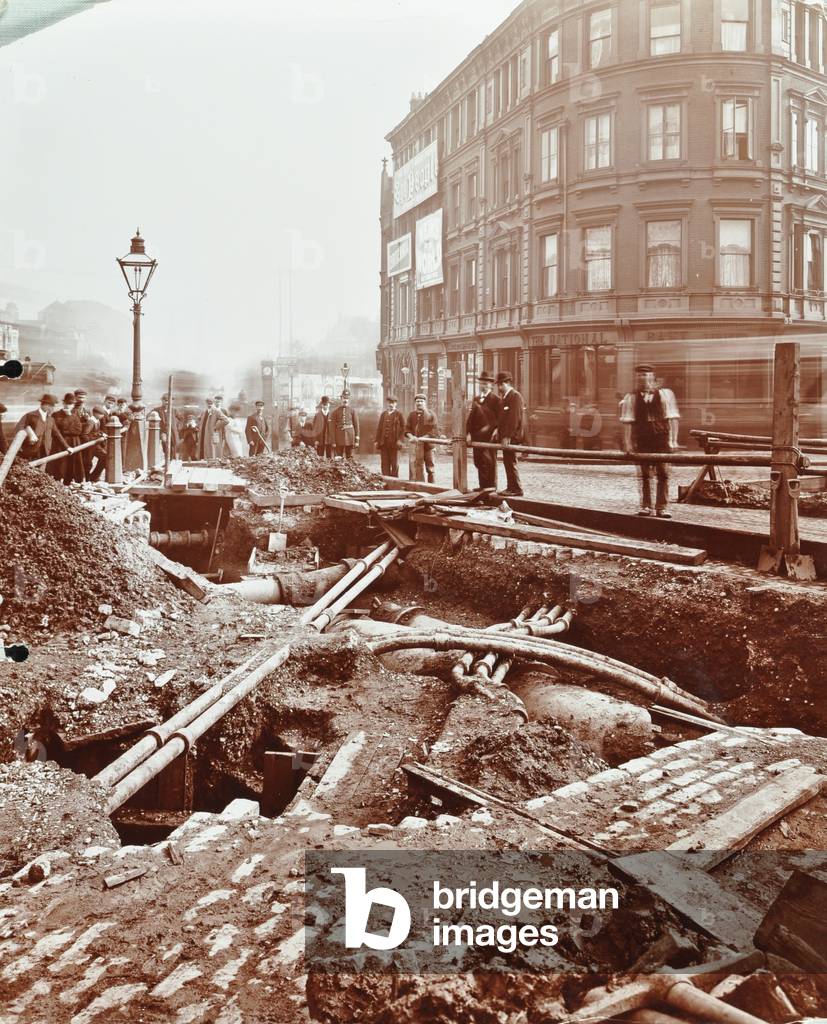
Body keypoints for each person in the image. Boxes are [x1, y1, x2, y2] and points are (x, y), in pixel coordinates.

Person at [620, 362, 680, 518]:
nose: (643, 378)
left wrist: (673, 441)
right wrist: (627, 444)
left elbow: (672, 418)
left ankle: (662, 507)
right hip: (642, 439)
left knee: (664, 474)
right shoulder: (631, 397)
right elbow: (628, 422)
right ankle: (646, 506)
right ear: (636, 377)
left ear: (652, 376)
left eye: (646, 375)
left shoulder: (666, 394)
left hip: (662, 439)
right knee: (645, 475)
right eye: (640, 375)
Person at [465, 371, 500, 490]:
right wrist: (468, 433)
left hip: (489, 438)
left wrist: (495, 430)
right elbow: (471, 418)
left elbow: (499, 419)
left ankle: (491, 487)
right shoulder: (476, 399)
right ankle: (482, 486)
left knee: (489, 462)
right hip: (476, 436)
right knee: (478, 461)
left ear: (491, 385)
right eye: (480, 383)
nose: (482, 386)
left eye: (485, 383)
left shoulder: (496, 400)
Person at [494, 371, 525, 497]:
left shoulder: (515, 396)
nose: (499, 388)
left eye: (501, 385)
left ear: (506, 383)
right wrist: (498, 430)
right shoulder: (506, 397)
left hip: (512, 437)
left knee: (511, 461)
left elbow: (514, 419)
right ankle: (511, 487)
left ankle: (516, 488)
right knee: (508, 461)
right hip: (506, 436)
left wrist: (507, 436)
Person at [51, 392, 85, 483]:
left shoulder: (75, 415)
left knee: (73, 463)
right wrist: (67, 430)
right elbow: (55, 430)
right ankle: (58, 481)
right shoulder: (56, 415)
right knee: (61, 463)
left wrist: (64, 429)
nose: (68, 406)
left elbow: (78, 430)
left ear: (73, 405)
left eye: (70, 404)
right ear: (63, 403)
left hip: (74, 442)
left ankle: (69, 481)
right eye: (66, 403)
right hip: (60, 442)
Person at [405, 393, 438, 484]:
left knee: (430, 467)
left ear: (425, 402)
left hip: (428, 446)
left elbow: (433, 431)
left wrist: (421, 439)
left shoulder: (431, 414)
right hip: (415, 445)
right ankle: (419, 485)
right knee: (416, 466)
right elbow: (407, 429)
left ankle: (432, 487)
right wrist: (411, 437)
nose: (419, 403)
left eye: (421, 401)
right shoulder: (412, 415)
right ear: (415, 403)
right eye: (417, 401)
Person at [15, 394, 58, 461]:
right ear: (45, 405)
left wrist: (67, 447)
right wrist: (30, 433)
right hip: (30, 450)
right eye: (51, 406)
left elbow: (57, 433)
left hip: (44, 451)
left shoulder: (50, 419)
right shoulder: (30, 415)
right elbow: (19, 427)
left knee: (41, 470)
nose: (52, 409)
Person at [374, 395, 405, 477]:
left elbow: (403, 429)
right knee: (384, 463)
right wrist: (377, 440)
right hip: (384, 443)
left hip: (394, 444)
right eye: (389, 403)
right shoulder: (383, 414)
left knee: (394, 464)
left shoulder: (399, 414)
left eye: (393, 403)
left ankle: (394, 482)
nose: (391, 405)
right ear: (387, 403)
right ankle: (386, 481)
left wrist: (400, 440)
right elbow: (379, 428)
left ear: (396, 404)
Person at [73, 388, 95, 480]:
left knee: (88, 460)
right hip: (76, 439)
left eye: (83, 398)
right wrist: (86, 422)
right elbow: (73, 425)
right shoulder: (72, 410)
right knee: (77, 460)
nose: (81, 400)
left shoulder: (87, 410)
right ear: (75, 397)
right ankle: (77, 479)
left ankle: (87, 477)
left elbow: (91, 424)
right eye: (79, 397)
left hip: (86, 439)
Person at [331, 390, 360, 460]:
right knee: (338, 459)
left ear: (349, 399)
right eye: (344, 398)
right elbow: (332, 428)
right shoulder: (335, 412)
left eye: (347, 398)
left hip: (350, 438)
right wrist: (333, 441)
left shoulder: (352, 411)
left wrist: (357, 441)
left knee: (350, 459)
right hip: (339, 438)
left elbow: (356, 426)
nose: (345, 400)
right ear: (341, 399)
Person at [87, 406, 108, 482]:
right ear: (96, 414)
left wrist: (101, 434)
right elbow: (85, 435)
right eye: (101, 414)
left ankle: (93, 476)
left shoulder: (97, 421)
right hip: (91, 445)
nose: (103, 416)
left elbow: (96, 431)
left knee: (105, 457)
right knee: (88, 463)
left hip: (95, 444)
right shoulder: (91, 422)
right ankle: (88, 478)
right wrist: (95, 439)